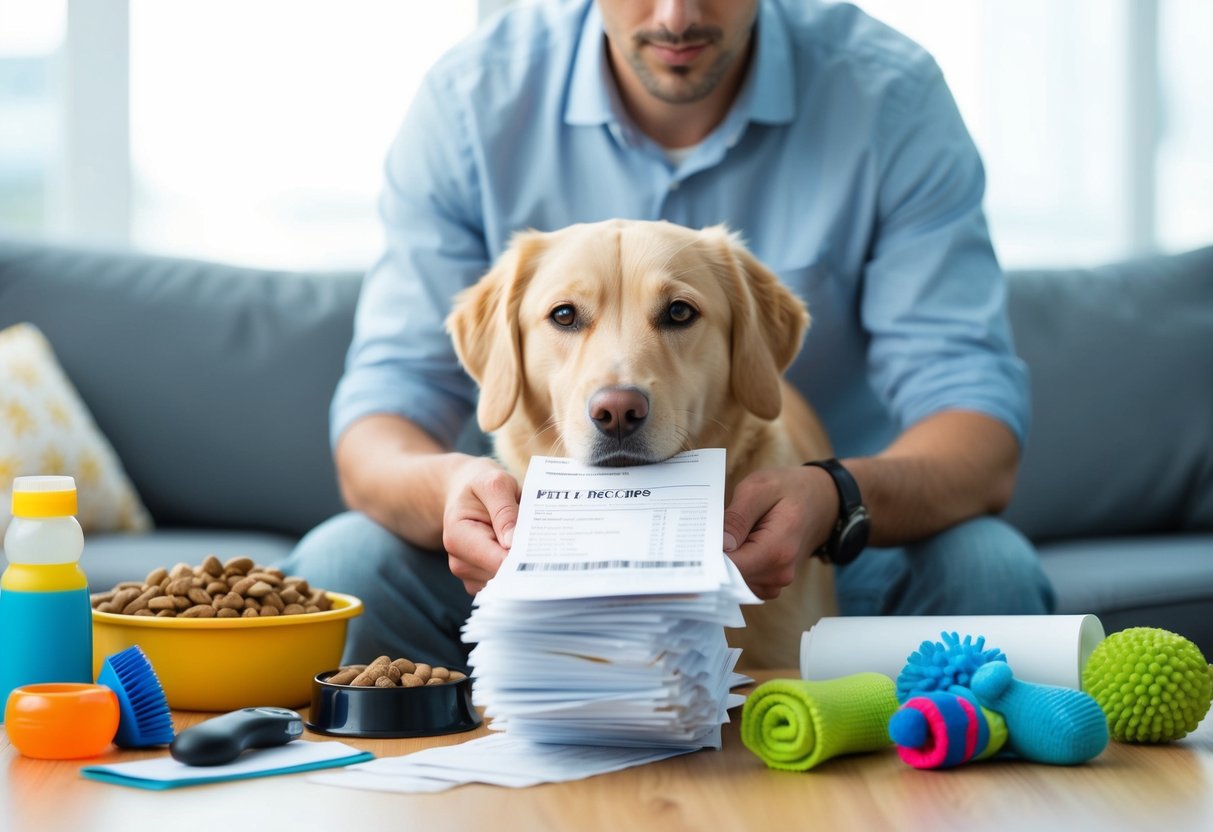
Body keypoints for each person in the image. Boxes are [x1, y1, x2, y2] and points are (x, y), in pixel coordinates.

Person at [280, 0, 1054, 666]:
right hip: (526, 552)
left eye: (677, 313)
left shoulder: (890, 95)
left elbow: (976, 428)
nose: (677, 15)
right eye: (565, 317)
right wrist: (453, 493)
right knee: (345, 561)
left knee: (987, 573)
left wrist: (832, 498)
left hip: (805, 548)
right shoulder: (468, 100)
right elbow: (379, 424)